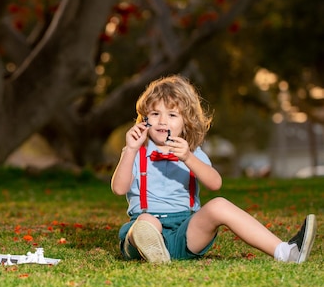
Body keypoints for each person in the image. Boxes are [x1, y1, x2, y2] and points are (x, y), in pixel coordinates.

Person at [111, 75, 316, 264]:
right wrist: (130, 149)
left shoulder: (192, 152)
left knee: (219, 205)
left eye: (172, 115)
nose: (163, 120)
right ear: (144, 120)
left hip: (185, 232)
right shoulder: (136, 153)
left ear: (186, 122)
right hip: (144, 228)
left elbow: (215, 184)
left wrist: (188, 158)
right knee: (147, 223)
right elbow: (119, 189)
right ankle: (153, 250)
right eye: (155, 114)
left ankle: (285, 252)